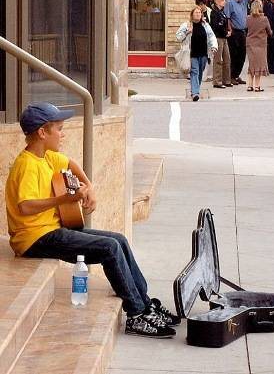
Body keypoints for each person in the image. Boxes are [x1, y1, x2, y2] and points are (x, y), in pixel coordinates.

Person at [5, 102, 181, 338]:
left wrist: (89, 187)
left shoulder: (46, 156)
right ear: (42, 132)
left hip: (50, 230)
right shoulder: (26, 165)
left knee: (119, 239)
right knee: (109, 248)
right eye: (59, 128)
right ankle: (136, 315)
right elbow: (25, 206)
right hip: (34, 238)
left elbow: (70, 164)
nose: (63, 133)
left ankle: (145, 304)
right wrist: (63, 199)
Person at [176, 6, 218, 101]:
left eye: (199, 13)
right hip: (192, 53)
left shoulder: (205, 25)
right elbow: (178, 37)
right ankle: (195, 93)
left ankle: (196, 89)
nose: (198, 14)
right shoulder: (187, 25)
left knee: (200, 72)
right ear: (192, 15)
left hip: (203, 53)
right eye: (196, 13)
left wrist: (214, 46)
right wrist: (187, 32)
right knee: (194, 71)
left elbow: (212, 36)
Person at [224, 0, 257, 85]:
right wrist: (229, 30)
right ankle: (232, 76)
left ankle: (237, 75)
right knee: (234, 55)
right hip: (234, 32)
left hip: (243, 31)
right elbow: (227, 18)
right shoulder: (229, 2)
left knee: (242, 55)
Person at [246, 0, 272, 91]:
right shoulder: (264, 19)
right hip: (261, 43)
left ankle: (250, 85)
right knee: (259, 65)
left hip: (250, 43)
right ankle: (257, 86)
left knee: (251, 64)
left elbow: (246, 28)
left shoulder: (248, 18)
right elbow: (269, 31)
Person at [210, 0, 232, 88]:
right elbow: (216, 26)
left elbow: (224, 23)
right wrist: (225, 32)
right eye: (223, 0)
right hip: (218, 38)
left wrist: (227, 31)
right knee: (218, 60)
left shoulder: (222, 12)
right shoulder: (214, 12)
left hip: (224, 38)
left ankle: (226, 80)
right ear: (217, 1)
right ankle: (217, 81)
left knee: (227, 59)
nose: (225, 2)